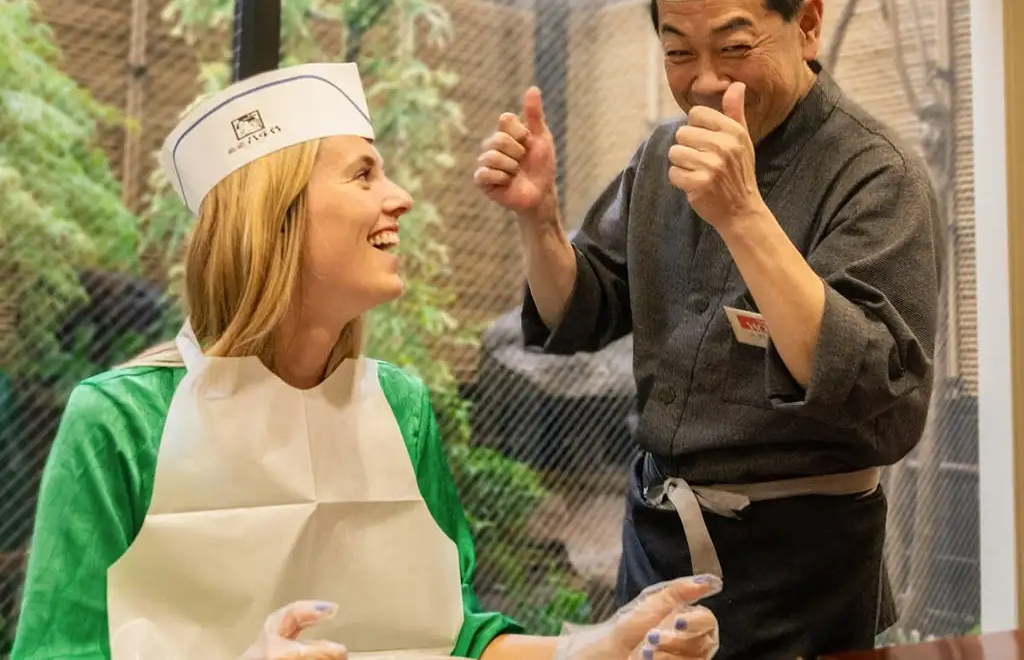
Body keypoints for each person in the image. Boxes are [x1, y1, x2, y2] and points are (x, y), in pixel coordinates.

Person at [11, 63, 721, 660]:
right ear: (277, 216)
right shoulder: (120, 420)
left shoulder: (399, 405)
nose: (400, 197)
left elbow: (450, 635)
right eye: (363, 173)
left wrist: (603, 644)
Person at [473, 0, 943, 660]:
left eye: (734, 46)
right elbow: (580, 312)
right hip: (656, 552)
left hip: (802, 572)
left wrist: (744, 214)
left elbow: (882, 403)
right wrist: (538, 218)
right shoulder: (664, 154)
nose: (702, 80)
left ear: (809, 24)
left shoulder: (874, 172)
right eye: (678, 51)